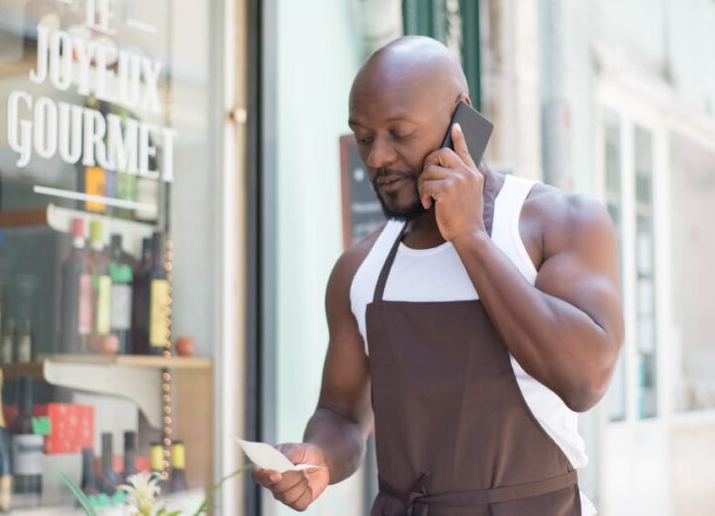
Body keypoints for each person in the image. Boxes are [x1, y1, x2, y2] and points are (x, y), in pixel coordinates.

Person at [253, 35, 623, 516]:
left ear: (459, 121)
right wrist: (319, 457)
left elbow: (584, 381)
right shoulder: (358, 269)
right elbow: (341, 414)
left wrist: (469, 237)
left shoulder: (559, 223)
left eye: (399, 134)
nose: (377, 158)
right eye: (364, 137)